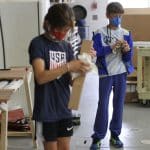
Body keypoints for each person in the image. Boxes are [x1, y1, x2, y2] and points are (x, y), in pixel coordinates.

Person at [28, 3, 93, 150]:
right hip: (47, 110)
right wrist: (69, 66)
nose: (64, 33)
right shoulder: (38, 44)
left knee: (65, 147)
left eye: (67, 29)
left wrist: (83, 68)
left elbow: (71, 81)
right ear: (50, 24)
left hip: (64, 108)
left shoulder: (66, 46)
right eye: (62, 29)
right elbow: (40, 77)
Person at [90, 2, 134, 150]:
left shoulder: (126, 34)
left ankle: (115, 135)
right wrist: (111, 47)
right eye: (115, 16)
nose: (118, 19)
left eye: (120, 16)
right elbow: (96, 53)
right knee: (102, 105)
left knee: (118, 105)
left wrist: (127, 50)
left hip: (121, 73)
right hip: (106, 74)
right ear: (108, 16)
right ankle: (97, 137)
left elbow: (128, 58)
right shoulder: (99, 33)